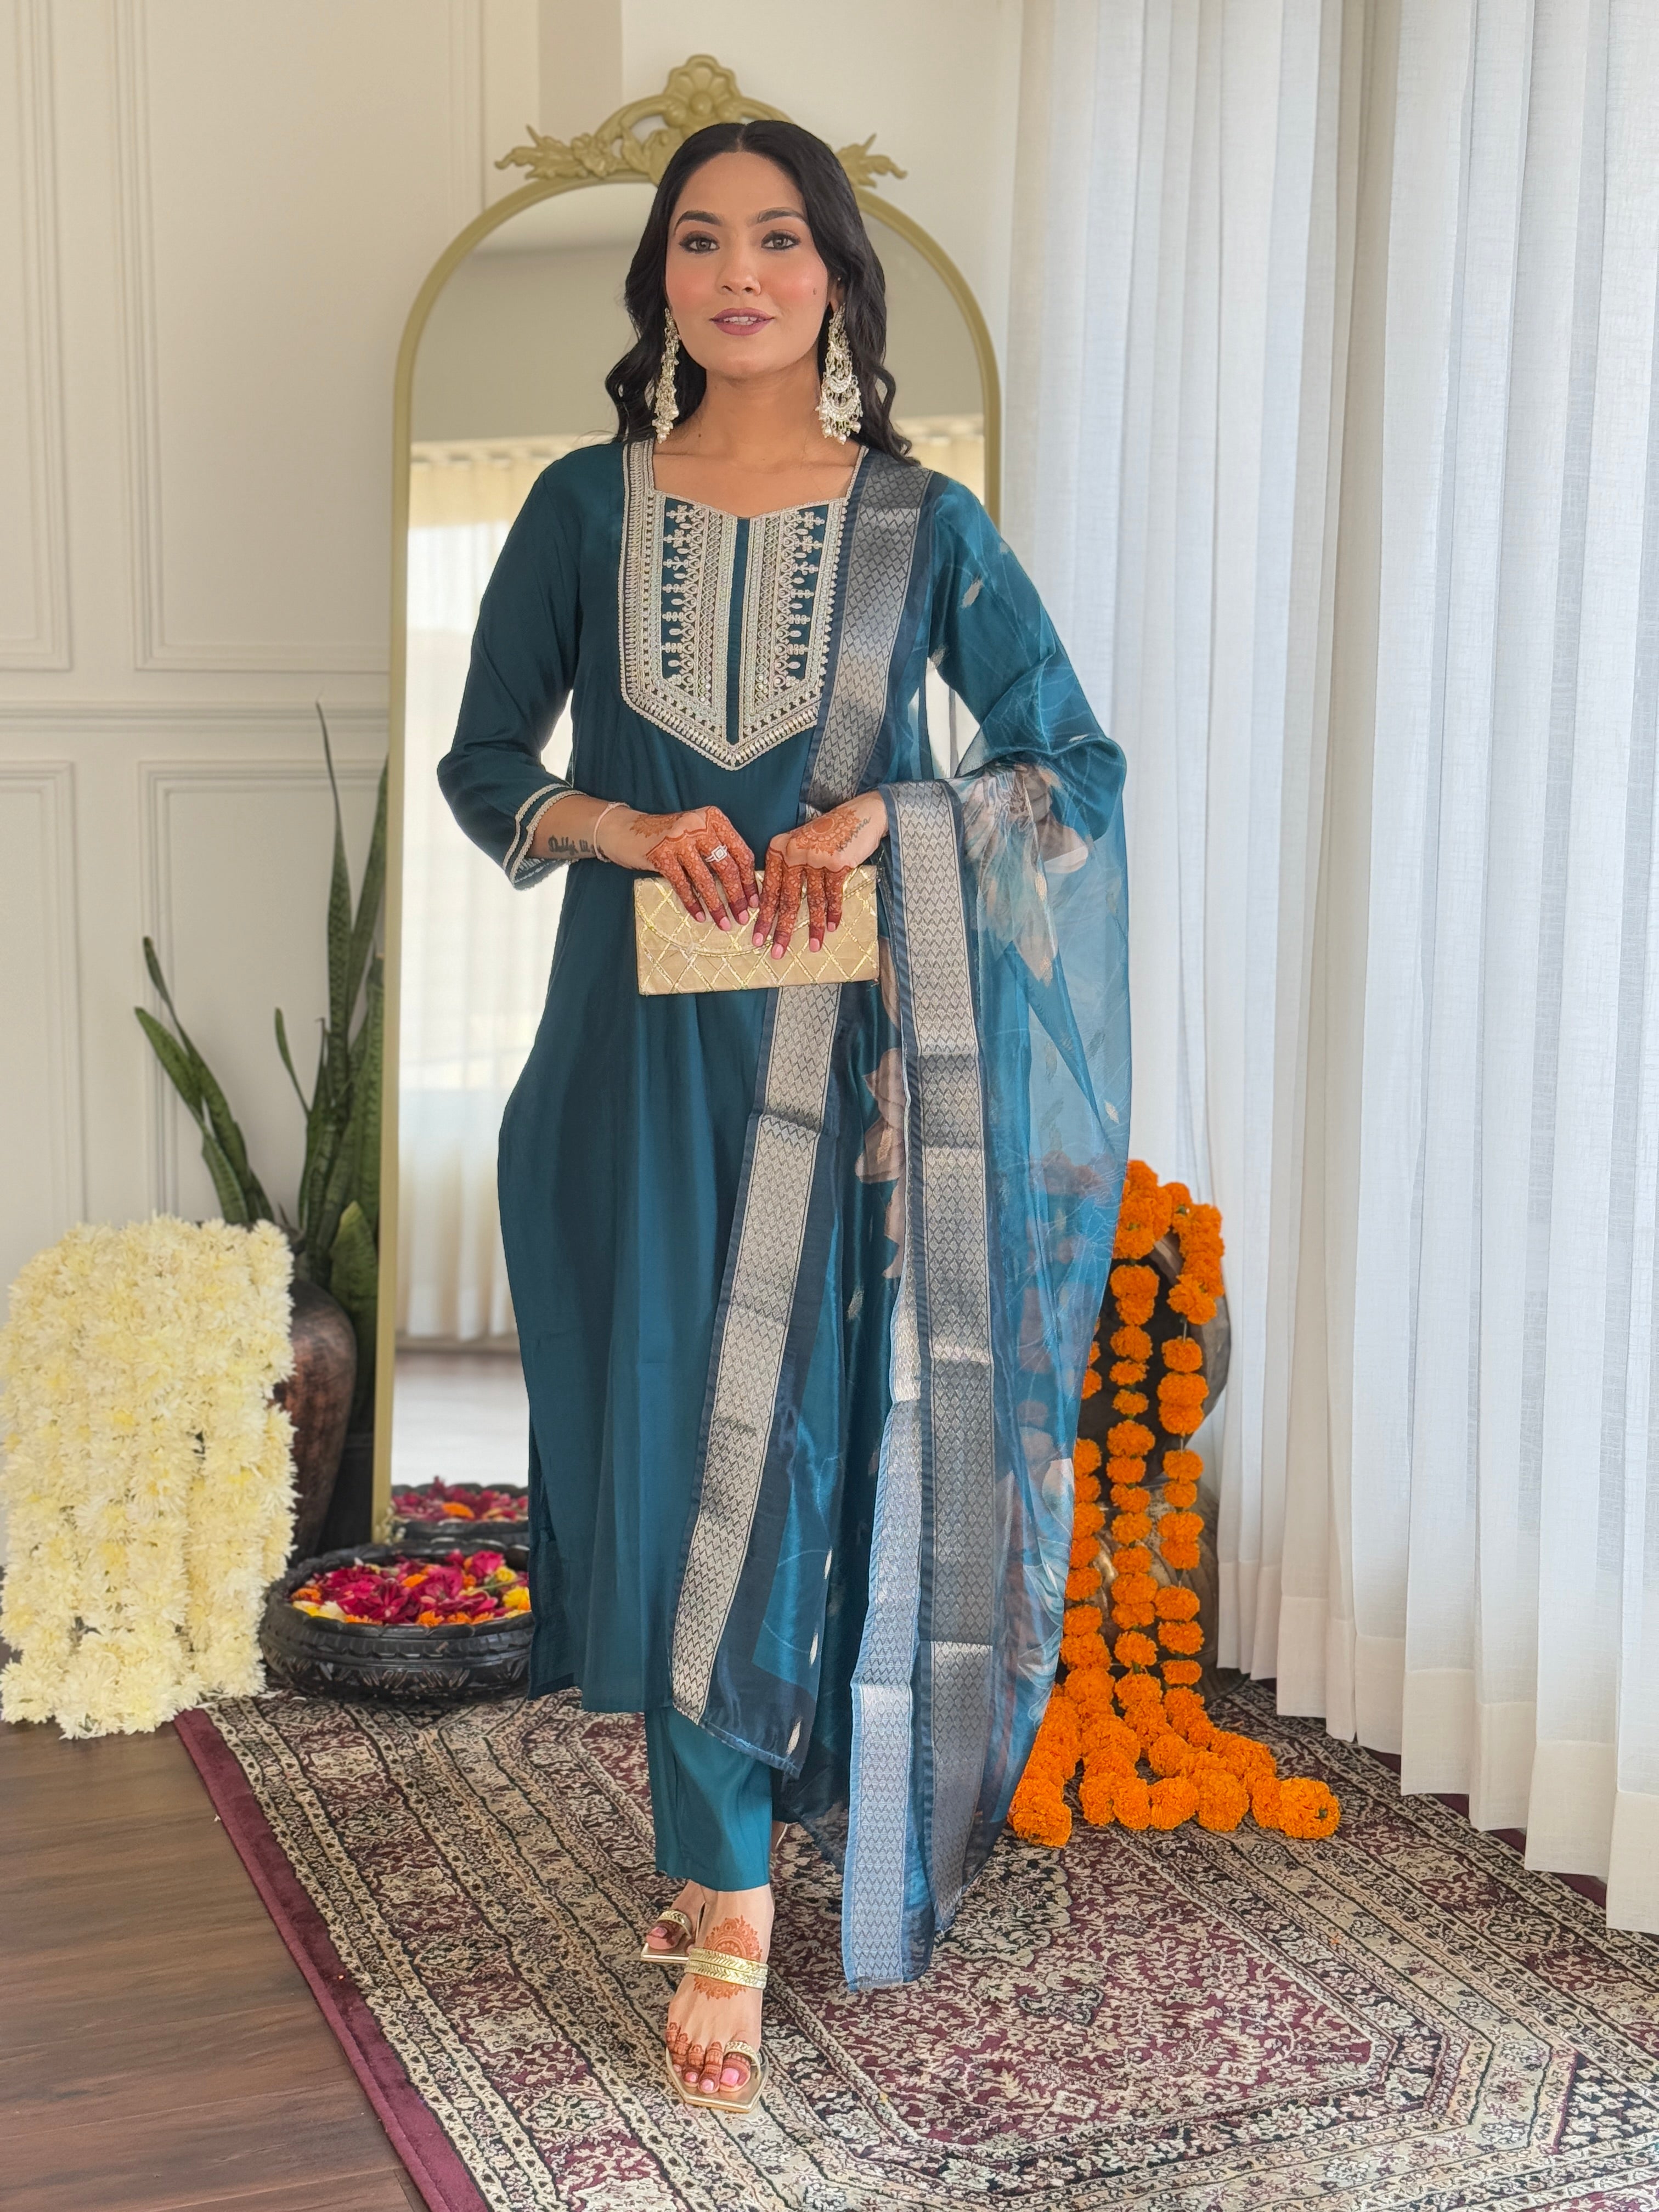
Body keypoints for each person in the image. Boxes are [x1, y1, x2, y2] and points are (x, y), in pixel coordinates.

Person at [438, 117, 1130, 2113]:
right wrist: (638, 828)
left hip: (841, 1078)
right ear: (660, 279)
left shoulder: (924, 524)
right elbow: (489, 767)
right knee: (660, 1443)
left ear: (835, 273)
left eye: (780, 238)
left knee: (788, 1445)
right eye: (699, 241)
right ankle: (712, 1848)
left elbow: (1067, 761)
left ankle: (727, 1885)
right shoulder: (584, 505)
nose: (740, 271)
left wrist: (886, 815)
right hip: (624, 1060)